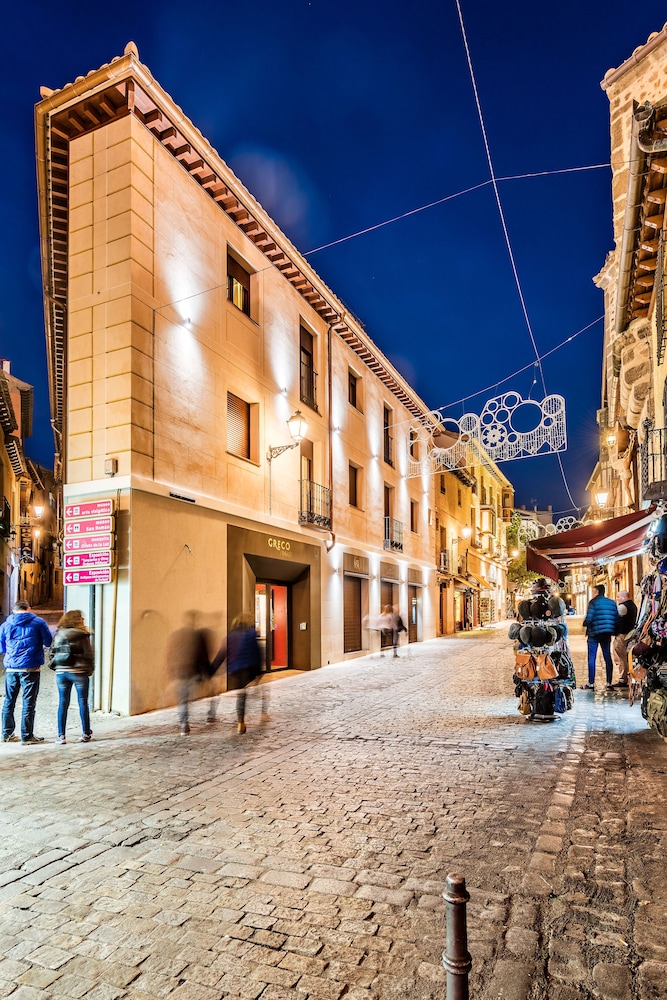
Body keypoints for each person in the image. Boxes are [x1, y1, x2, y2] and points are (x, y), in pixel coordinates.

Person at [0, 599, 52, 745]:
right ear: (28, 609)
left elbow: (1, 648)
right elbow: (48, 642)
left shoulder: (5, 625)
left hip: (11, 668)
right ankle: (27, 736)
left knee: (9, 700)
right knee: (28, 702)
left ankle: (7, 733)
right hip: (31, 668)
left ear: (14, 610)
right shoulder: (39, 622)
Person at [210, 613, 266, 733]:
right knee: (252, 692)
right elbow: (257, 653)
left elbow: (221, 656)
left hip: (235, 670)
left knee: (241, 695)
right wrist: (259, 671)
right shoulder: (251, 634)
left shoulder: (229, 637)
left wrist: (211, 671)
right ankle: (260, 713)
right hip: (249, 669)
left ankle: (241, 722)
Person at [50, 610, 94, 745]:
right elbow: (88, 654)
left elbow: (52, 653)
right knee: (83, 702)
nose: (83, 620)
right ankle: (85, 733)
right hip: (79, 672)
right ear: (77, 620)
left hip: (61, 672)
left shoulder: (59, 634)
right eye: (81, 618)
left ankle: (61, 736)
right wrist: (90, 670)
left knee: (63, 703)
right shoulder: (82, 635)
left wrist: (56, 667)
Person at [166, 611, 211, 735]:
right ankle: (185, 722)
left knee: (183, 699)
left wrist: (170, 671)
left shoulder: (177, 635)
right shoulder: (197, 636)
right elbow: (203, 656)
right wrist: (206, 673)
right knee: (187, 698)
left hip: (180, 672)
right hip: (192, 672)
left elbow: (170, 654)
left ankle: (184, 724)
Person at [582, 584, 619, 690]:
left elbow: (589, 618)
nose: (592, 593)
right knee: (607, 657)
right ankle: (609, 683)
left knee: (592, 658)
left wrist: (585, 623)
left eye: (593, 591)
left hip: (594, 633)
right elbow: (616, 618)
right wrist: (613, 630)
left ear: (597, 592)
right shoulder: (612, 603)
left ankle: (591, 683)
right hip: (607, 633)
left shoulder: (593, 602)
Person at [612, 589, 638, 688]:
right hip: (629, 633)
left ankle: (623, 678)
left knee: (620, 656)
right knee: (627, 656)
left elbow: (616, 619)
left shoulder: (623, 607)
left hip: (622, 634)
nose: (617, 599)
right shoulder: (633, 605)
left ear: (624, 597)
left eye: (618, 597)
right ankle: (628, 676)